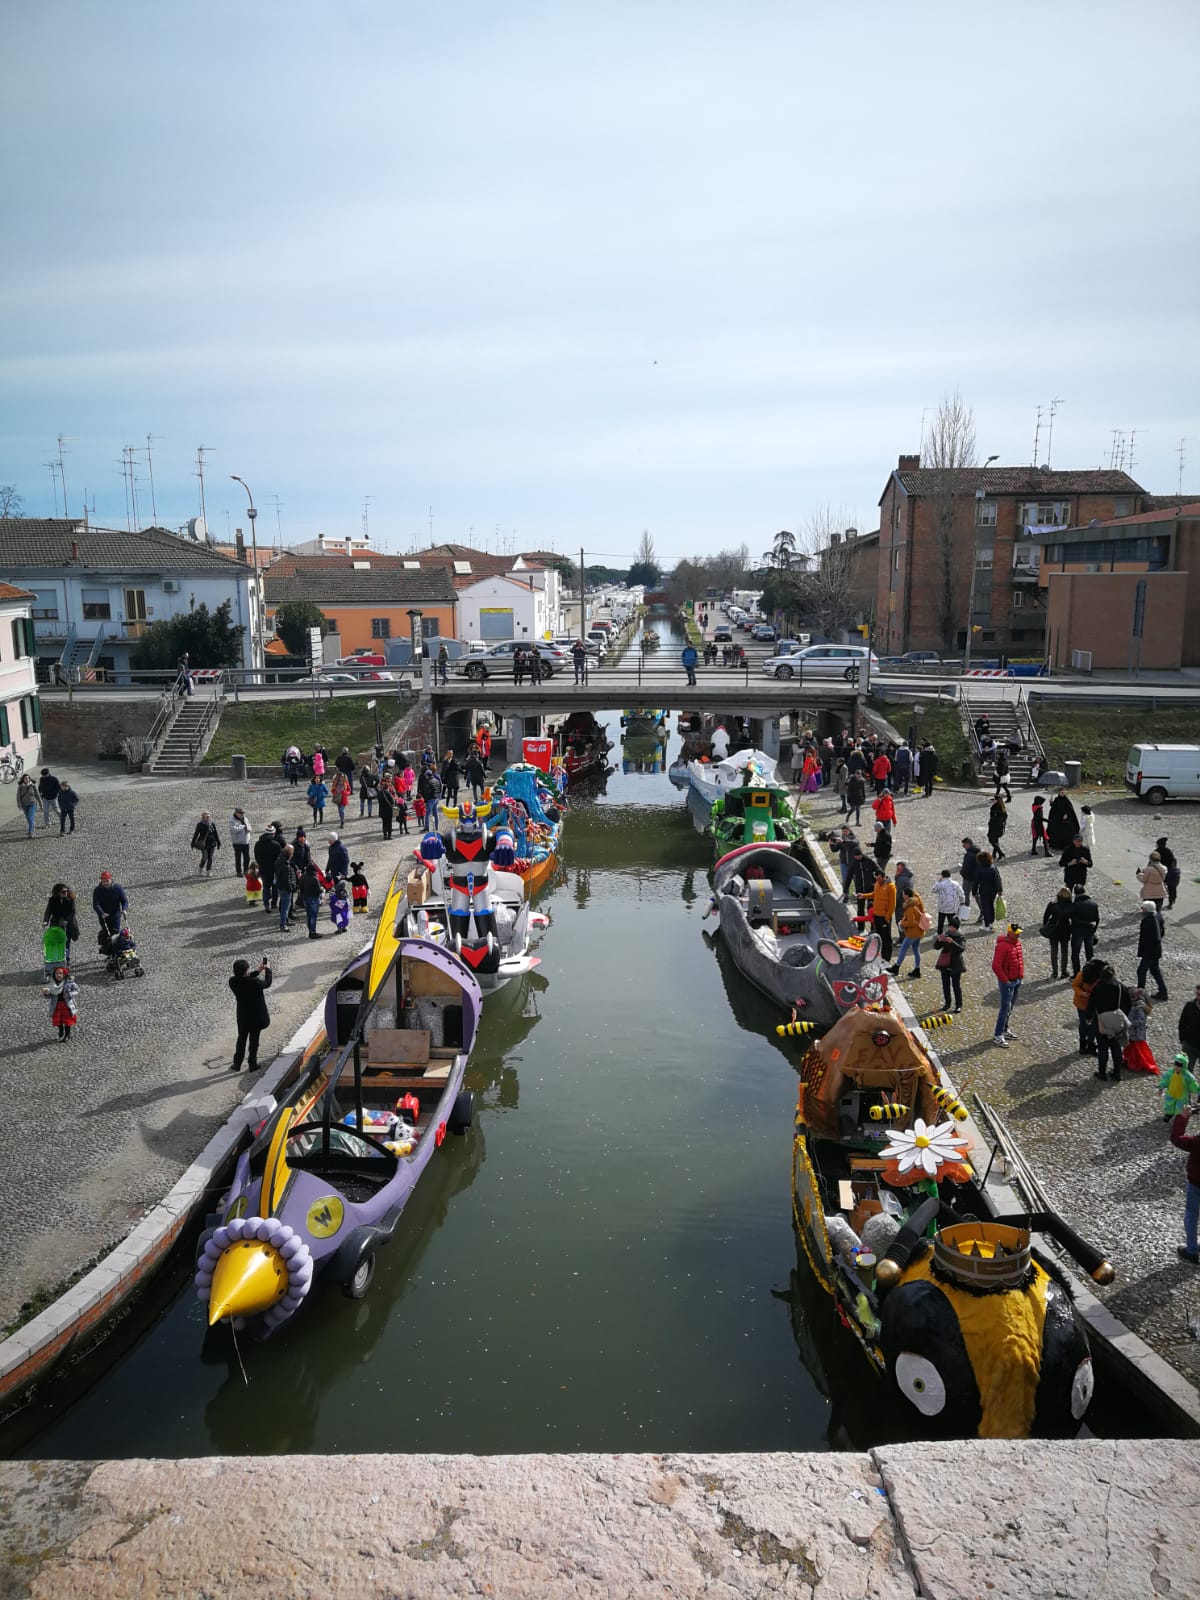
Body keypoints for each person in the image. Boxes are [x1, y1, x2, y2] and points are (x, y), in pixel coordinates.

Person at [1085, 963, 1133, 1081]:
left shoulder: (1098, 988)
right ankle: (1117, 1073)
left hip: (1101, 1021)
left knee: (1103, 1048)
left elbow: (1091, 1004)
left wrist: (1088, 1017)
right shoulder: (1121, 987)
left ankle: (1102, 1072)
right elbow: (1129, 1003)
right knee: (1116, 1047)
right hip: (1116, 1021)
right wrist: (1123, 1015)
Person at [228, 957, 272, 1072]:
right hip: (256, 1016)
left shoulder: (232, 981)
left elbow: (244, 978)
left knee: (241, 1039)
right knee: (254, 1040)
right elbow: (267, 983)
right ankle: (252, 1063)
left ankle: (237, 1063)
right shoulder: (255, 982)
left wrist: (258, 971)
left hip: (243, 1016)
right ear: (246, 970)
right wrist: (268, 970)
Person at [1169, 1103, 1200, 1266]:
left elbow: (1176, 1138)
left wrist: (1182, 1117)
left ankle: (1192, 1250)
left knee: (1192, 1215)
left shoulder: (1196, 1142)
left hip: (1196, 1184)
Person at [991, 924, 1025, 1047]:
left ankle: (1005, 1029)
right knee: (1005, 1008)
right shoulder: (1003, 946)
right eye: (1016, 933)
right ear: (1009, 933)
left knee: (1009, 1008)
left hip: (1016, 980)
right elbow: (996, 966)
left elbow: (1019, 960)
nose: (1018, 935)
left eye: (1019, 933)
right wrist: (1005, 980)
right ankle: (998, 1035)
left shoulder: (1017, 943)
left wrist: (1020, 976)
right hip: (1008, 982)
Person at [889, 888, 927, 979]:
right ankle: (917, 970)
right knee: (916, 949)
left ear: (906, 896)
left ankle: (896, 967)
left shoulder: (909, 907)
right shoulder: (917, 902)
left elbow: (911, 922)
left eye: (903, 894)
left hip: (913, 932)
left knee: (903, 948)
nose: (902, 895)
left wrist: (902, 923)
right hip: (919, 930)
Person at [1135, 900, 1169, 1000]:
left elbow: (1149, 937)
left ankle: (1140, 994)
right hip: (1156, 950)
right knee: (1155, 970)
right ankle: (1163, 992)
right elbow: (1161, 933)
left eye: (1143, 909)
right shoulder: (1158, 916)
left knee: (1141, 971)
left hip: (1149, 951)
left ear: (1146, 910)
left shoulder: (1148, 921)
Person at [933, 915, 966, 1013]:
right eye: (950, 926)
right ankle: (947, 1003)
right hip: (945, 963)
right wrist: (939, 940)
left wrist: (952, 942)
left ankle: (958, 1004)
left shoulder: (960, 937)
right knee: (945, 984)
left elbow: (961, 949)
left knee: (956, 985)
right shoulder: (945, 934)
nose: (951, 929)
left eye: (953, 927)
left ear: (956, 928)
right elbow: (936, 947)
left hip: (955, 964)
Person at [43, 883, 80, 968]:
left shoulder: (70, 899)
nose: (65, 893)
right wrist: (45, 921)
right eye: (63, 892)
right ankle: (57, 959)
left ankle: (66, 960)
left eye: (66, 891)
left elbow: (72, 912)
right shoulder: (52, 900)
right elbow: (48, 911)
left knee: (66, 943)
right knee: (56, 942)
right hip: (56, 923)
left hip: (68, 924)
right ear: (58, 892)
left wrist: (66, 920)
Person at [1072, 958, 1105, 1057]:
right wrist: (1082, 993)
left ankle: (1090, 1043)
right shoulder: (1082, 975)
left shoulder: (1101, 977)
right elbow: (1075, 985)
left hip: (1095, 1005)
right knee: (1084, 1024)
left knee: (1094, 1025)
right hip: (1082, 1004)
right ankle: (1083, 1043)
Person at [1041, 886, 1074, 980]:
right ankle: (1064, 971)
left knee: (1054, 951)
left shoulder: (1052, 904)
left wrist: (1046, 926)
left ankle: (1054, 972)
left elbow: (1045, 917)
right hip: (1065, 930)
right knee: (1064, 951)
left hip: (1053, 930)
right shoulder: (1070, 905)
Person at [1069, 883, 1100, 974]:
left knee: (1075, 954)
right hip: (1089, 932)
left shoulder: (1074, 905)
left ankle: (1077, 974)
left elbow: (1073, 919)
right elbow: (1097, 919)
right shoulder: (1093, 904)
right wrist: (1093, 930)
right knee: (1089, 954)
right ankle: (1090, 973)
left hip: (1077, 932)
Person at [43, 964, 79, 1041]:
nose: (58, 975)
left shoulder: (69, 983)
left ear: (64, 974)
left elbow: (76, 990)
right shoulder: (52, 984)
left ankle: (67, 1035)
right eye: (56, 973)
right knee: (58, 1021)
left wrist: (69, 994)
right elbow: (50, 996)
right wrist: (46, 994)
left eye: (60, 973)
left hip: (66, 1005)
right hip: (57, 1005)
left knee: (67, 1021)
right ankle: (61, 1030)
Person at [255, 823, 284, 915]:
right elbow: (279, 858)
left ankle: (266, 904)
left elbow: (256, 857)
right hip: (274, 870)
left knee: (266, 887)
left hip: (263, 869)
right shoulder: (276, 845)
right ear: (273, 833)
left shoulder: (258, 844)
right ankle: (274, 904)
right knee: (275, 886)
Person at [1163, 1053, 1200, 1123]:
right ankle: (1169, 1114)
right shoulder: (1171, 1072)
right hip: (1171, 1092)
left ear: (1184, 1066)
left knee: (1180, 1107)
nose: (1176, 1067)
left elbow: (1192, 1083)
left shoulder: (1187, 1075)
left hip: (1182, 1095)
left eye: (1179, 1065)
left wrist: (1197, 1090)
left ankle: (1179, 1117)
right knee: (1169, 1104)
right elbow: (1165, 1078)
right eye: (1175, 1064)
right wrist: (1161, 1086)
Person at [92, 870, 128, 938]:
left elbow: (124, 900)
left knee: (115, 934)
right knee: (106, 935)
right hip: (103, 917)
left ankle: (116, 947)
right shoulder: (97, 890)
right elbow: (96, 904)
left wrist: (124, 909)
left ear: (111, 879)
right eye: (103, 881)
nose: (105, 883)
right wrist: (102, 913)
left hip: (115, 916)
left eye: (107, 881)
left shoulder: (118, 888)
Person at [973, 849, 1002, 931]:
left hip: (984, 890)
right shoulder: (993, 868)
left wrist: (974, 892)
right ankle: (991, 923)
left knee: (985, 907)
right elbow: (998, 879)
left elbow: (976, 882)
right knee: (991, 905)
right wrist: (1000, 890)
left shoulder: (979, 869)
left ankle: (986, 924)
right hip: (993, 891)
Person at [1137, 853, 1167, 929]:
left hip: (1149, 893)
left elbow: (1144, 880)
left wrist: (1139, 874)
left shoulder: (1149, 869)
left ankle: (1148, 927)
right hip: (1160, 892)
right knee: (1158, 911)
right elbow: (1162, 879)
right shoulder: (1164, 868)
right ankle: (1159, 926)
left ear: (1151, 859)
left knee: (1148, 912)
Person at [871, 871, 895, 962]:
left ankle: (886, 959)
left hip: (884, 917)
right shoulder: (877, 884)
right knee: (878, 937)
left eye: (880, 878)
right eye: (877, 879)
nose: (878, 880)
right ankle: (879, 956)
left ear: (884, 877)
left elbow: (892, 905)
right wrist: (864, 896)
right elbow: (874, 895)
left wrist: (887, 919)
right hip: (876, 915)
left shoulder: (891, 887)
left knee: (886, 939)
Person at [932, 868, 965, 933]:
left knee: (941, 922)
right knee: (952, 922)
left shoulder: (940, 884)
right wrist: (962, 901)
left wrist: (938, 881)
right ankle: (954, 933)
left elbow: (933, 890)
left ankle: (939, 934)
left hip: (942, 907)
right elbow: (961, 893)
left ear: (942, 876)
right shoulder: (956, 883)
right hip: (952, 907)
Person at [1046, 787, 1080, 852]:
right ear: (1059, 792)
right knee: (1056, 831)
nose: (1063, 793)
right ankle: (1056, 845)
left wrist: (1067, 814)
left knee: (1066, 832)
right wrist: (1051, 802)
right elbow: (1054, 807)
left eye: (1064, 792)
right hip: (1057, 818)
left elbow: (1070, 809)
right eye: (1061, 792)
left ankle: (1066, 845)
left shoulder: (1066, 800)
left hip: (1065, 819)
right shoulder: (1056, 799)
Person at [274, 845, 298, 933]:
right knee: (285, 907)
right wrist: (292, 888)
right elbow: (287, 880)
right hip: (285, 889)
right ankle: (283, 924)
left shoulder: (279, 861)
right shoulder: (286, 866)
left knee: (284, 905)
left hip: (280, 887)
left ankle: (286, 921)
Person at [299, 861, 324, 939]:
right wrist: (322, 889)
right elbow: (318, 890)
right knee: (313, 916)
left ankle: (310, 930)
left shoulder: (303, 876)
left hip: (305, 898)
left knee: (308, 915)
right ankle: (313, 932)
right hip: (314, 898)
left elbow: (300, 887)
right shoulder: (314, 879)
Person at [1179, 985, 1200, 1073]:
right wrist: (1183, 1040)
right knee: (1186, 1073)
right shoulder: (1189, 1006)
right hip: (1190, 1046)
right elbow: (1182, 1024)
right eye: (1198, 994)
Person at [1157, 836, 1181, 908]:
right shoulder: (1169, 851)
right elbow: (1174, 861)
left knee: (1159, 888)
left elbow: (1152, 862)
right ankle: (1171, 901)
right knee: (1172, 888)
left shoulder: (1157, 851)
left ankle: (1159, 903)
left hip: (1161, 873)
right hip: (1170, 872)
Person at [960, 837, 980, 917]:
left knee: (965, 895)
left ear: (968, 844)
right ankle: (983, 911)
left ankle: (964, 914)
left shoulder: (969, 855)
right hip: (976, 878)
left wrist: (962, 873)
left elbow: (966, 868)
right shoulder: (978, 852)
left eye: (964, 844)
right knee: (977, 895)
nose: (963, 846)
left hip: (968, 878)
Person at [229, 808, 252, 876]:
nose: (242, 814)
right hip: (237, 842)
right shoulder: (232, 820)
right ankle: (239, 872)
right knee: (238, 858)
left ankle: (246, 871)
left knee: (247, 857)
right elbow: (233, 830)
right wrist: (242, 826)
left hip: (246, 841)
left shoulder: (245, 818)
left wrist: (249, 829)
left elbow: (249, 825)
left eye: (243, 813)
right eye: (241, 813)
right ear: (236, 813)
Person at [16, 772, 38, 837]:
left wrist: (41, 804)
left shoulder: (33, 786)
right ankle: (32, 826)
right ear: (23, 779)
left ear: (29, 779)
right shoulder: (20, 787)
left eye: (28, 778)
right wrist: (19, 805)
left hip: (32, 804)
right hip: (24, 805)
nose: (27, 779)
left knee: (30, 818)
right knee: (28, 818)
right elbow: (18, 797)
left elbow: (37, 795)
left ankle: (30, 832)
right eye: (25, 778)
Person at [987, 797, 1008, 861]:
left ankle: (1000, 853)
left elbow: (994, 817)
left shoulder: (996, 807)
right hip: (999, 827)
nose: (993, 801)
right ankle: (994, 855)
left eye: (994, 799)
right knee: (995, 840)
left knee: (991, 839)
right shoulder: (1002, 807)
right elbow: (1005, 816)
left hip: (994, 827)